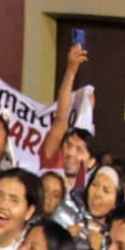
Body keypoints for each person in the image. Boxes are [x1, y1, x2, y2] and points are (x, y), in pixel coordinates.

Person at [53, 164, 122, 250]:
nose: (97, 194)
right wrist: (64, 238)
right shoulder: (67, 210)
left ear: (115, 202)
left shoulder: (114, 236)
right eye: (95, 185)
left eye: (106, 191)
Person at [39, 44, 94, 181]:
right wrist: (71, 71)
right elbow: (61, 118)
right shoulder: (51, 162)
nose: (71, 153)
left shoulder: (89, 193)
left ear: (91, 162)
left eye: (80, 149)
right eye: (68, 145)